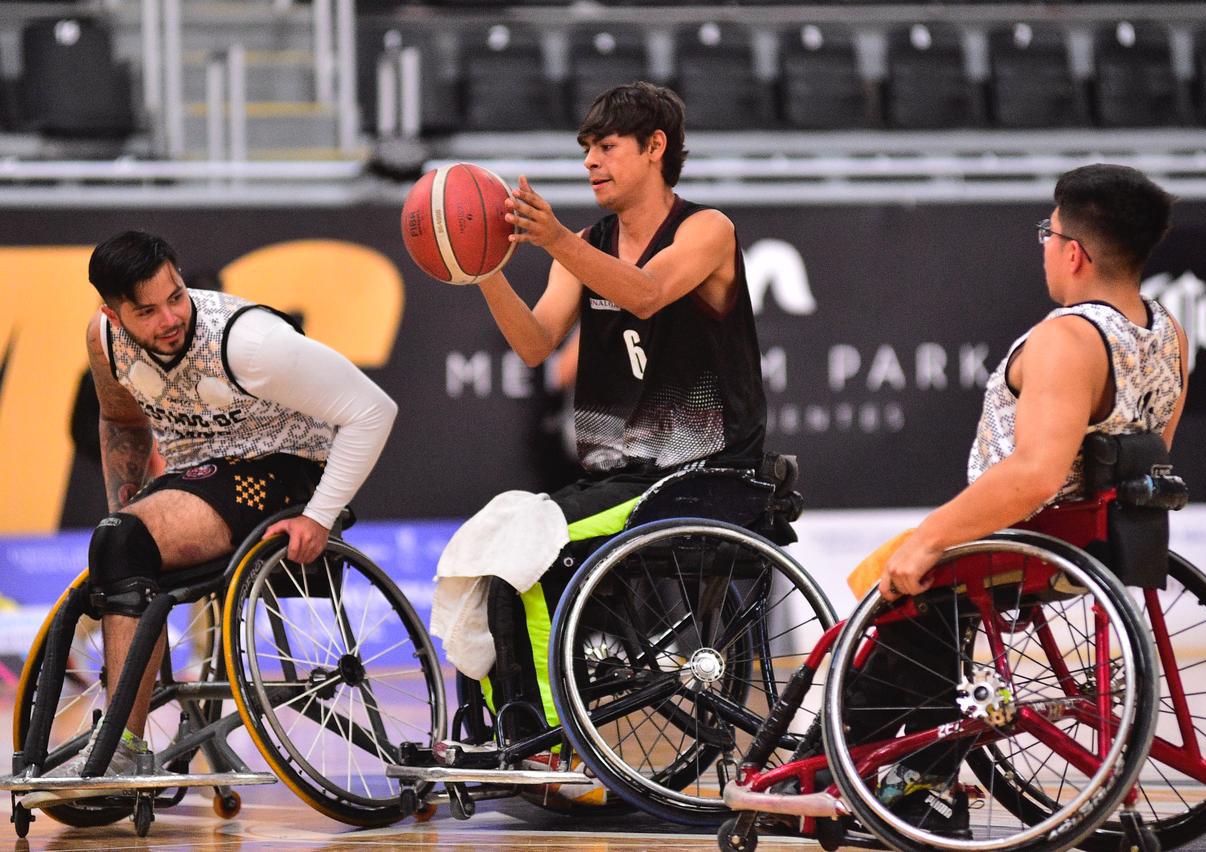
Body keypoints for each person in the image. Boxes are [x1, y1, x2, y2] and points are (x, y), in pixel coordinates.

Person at [852, 164, 1187, 836]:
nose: (1043, 245)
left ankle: (866, 770)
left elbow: (1033, 475)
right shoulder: (1169, 333)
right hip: (1096, 540)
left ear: (1074, 251)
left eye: (1048, 231)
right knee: (921, 598)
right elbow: (1151, 452)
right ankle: (918, 771)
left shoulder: (1068, 337)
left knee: (883, 580)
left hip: (1022, 534)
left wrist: (930, 538)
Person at [429, 81, 766, 739]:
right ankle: (499, 722)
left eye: (606, 147)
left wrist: (555, 239)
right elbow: (533, 344)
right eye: (586, 149)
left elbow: (646, 293)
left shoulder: (707, 229)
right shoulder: (588, 243)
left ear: (655, 148)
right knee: (492, 545)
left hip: (703, 470)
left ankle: (548, 739)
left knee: (523, 551)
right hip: (621, 474)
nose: (590, 162)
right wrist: (483, 269)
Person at [24, 230, 397, 805]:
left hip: (288, 470)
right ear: (111, 311)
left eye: (174, 296)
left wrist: (320, 516)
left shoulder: (248, 342)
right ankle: (125, 738)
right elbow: (122, 421)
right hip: (200, 476)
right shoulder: (105, 340)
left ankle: (123, 744)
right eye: (145, 311)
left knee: (124, 542)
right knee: (120, 544)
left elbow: (374, 410)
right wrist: (130, 520)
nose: (169, 317)